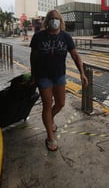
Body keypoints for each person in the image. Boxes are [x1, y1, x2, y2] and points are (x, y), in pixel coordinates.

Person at [30, 10, 88, 151]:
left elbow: (75, 56)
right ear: (47, 21)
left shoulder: (66, 37)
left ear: (60, 21)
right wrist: (33, 75)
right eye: (51, 18)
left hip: (59, 76)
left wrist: (82, 73)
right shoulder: (38, 37)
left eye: (56, 18)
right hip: (43, 77)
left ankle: (50, 120)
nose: (54, 20)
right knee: (47, 106)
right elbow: (33, 57)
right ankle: (50, 137)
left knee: (61, 103)